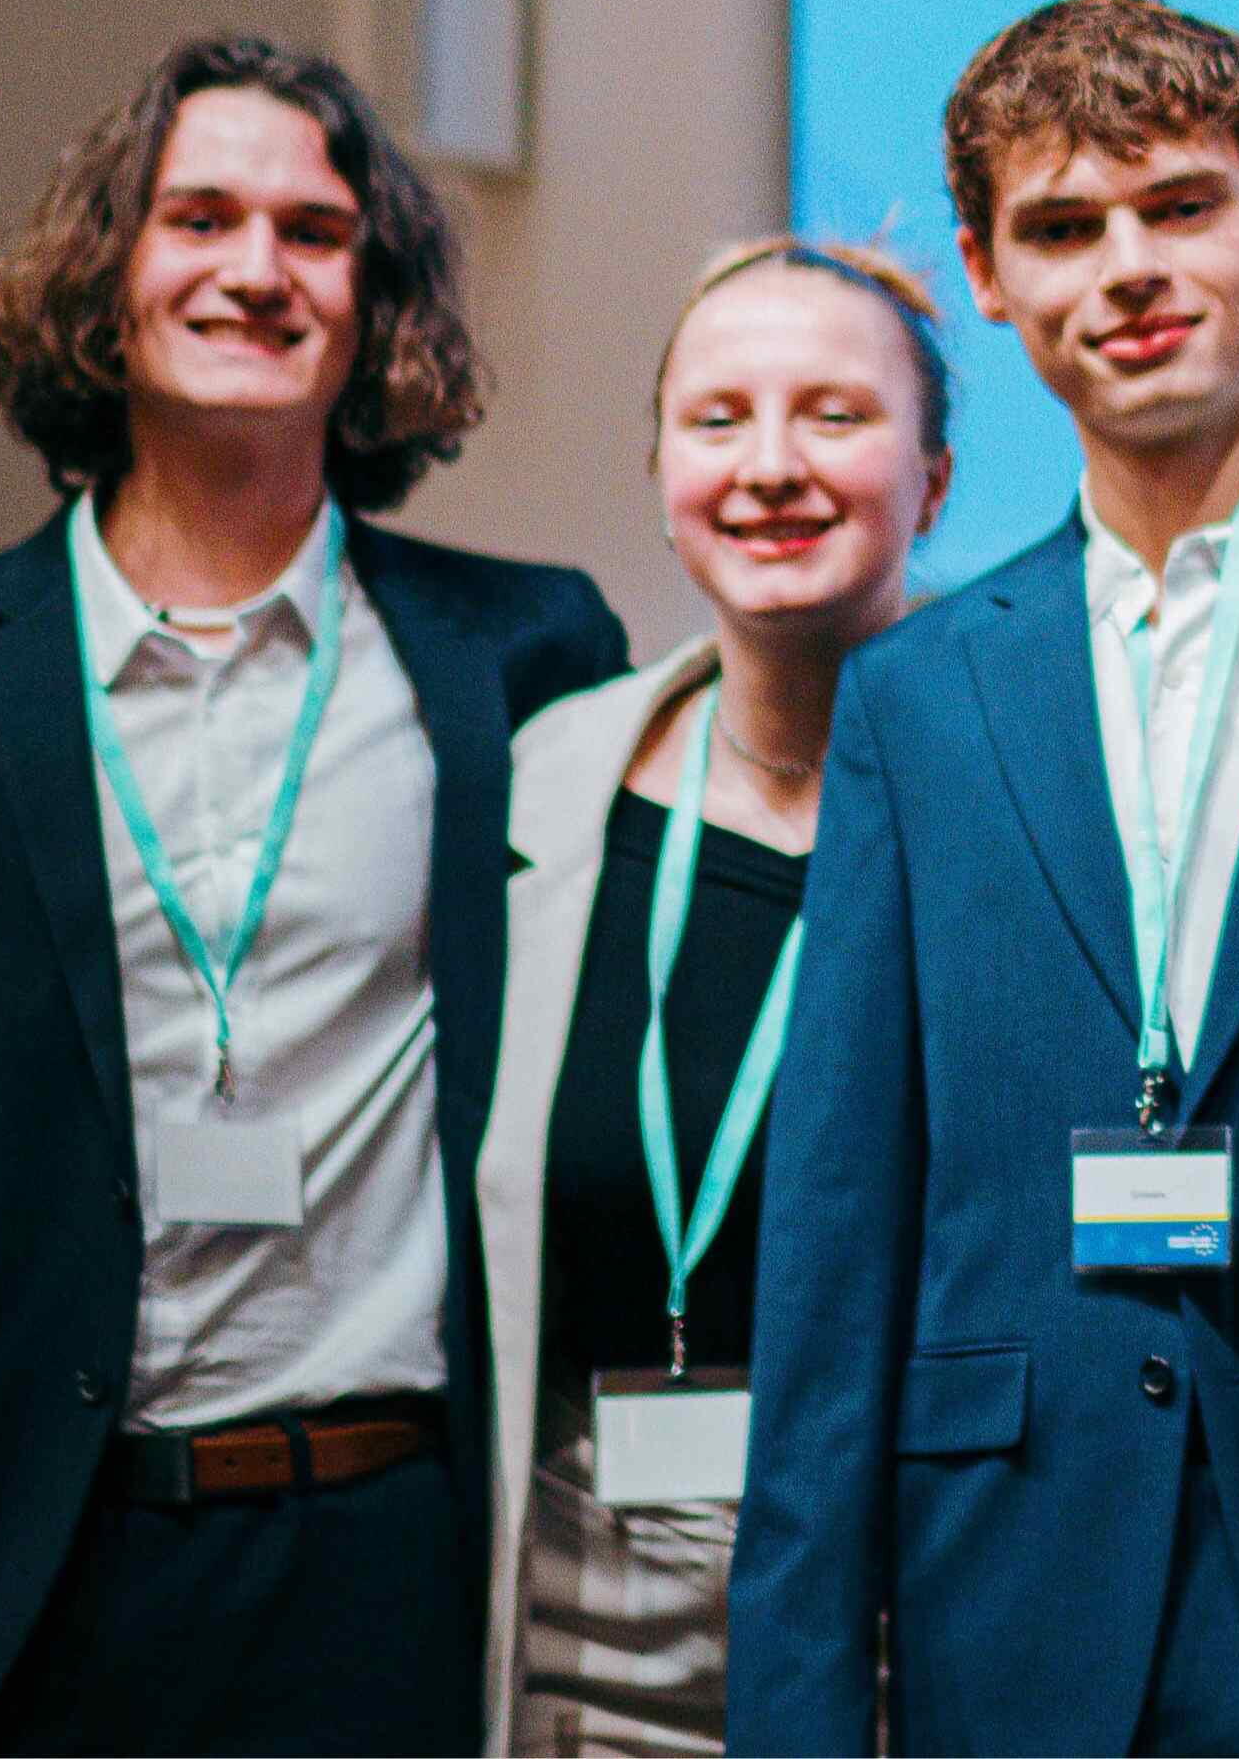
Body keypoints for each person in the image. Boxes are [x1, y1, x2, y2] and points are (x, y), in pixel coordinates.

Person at [0, 36, 628, 1757]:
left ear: (375, 300)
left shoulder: (529, 657)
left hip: (387, 1561)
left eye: (314, 232)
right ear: (109, 273)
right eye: (200, 217)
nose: (256, 269)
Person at [733, 0, 1239, 1756]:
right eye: (1064, 227)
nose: (1131, 268)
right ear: (988, 271)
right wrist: (792, 1711)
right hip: (1010, 1585)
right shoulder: (919, 695)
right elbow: (837, 1217)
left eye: (1182, 205)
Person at [475, 241, 957, 1750]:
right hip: (565, 1634)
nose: (772, 466)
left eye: (833, 414)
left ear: (934, 478)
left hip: (901, 1634)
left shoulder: (1010, 807)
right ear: (658, 462)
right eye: (720, 417)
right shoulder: (542, 785)